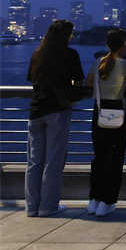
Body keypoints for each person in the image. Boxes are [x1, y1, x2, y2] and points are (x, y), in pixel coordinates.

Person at [25, 20, 83, 217]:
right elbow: (78, 81)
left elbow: (33, 81)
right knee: (53, 162)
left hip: (35, 111)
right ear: (66, 35)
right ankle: (48, 207)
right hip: (57, 111)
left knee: (34, 162)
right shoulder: (70, 54)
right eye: (71, 33)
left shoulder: (37, 54)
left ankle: (31, 207)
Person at [85, 29, 126, 217]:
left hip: (100, 112)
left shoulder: (98, 63)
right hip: (117, 112)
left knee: (99, 158)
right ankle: (107, 202)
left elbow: (88, 84)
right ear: (124, 44)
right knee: (115, 158)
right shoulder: (125, 64)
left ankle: (93, 200)